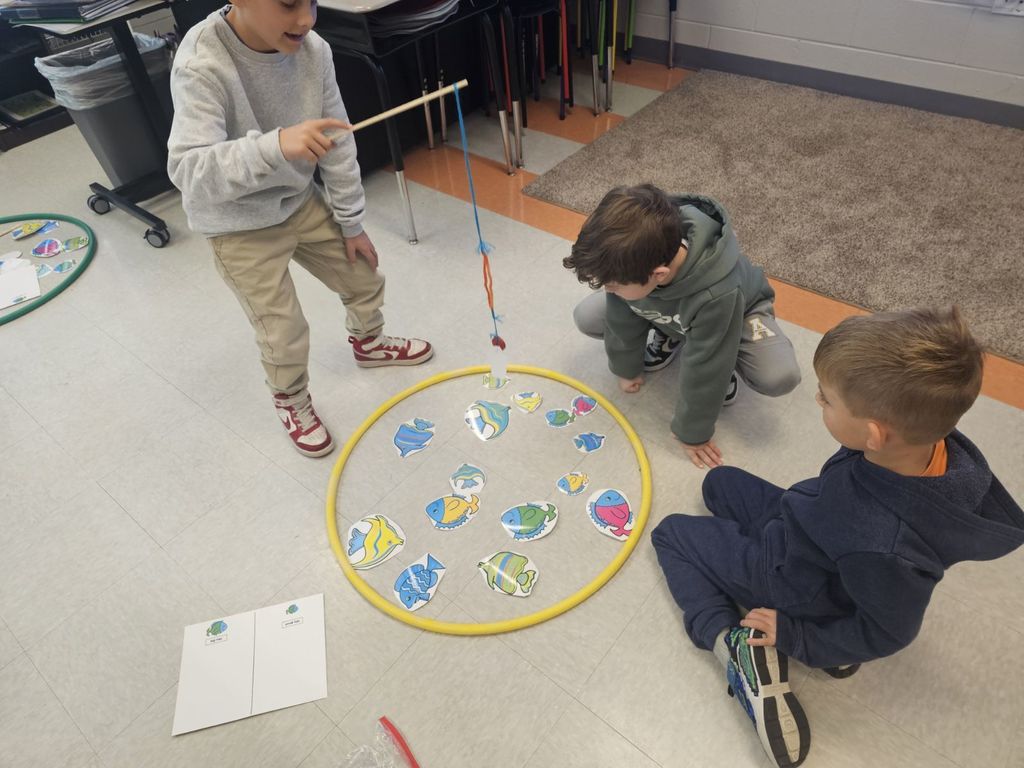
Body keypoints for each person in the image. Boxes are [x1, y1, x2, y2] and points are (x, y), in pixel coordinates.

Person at [651, 307, 1024, 767]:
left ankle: (731, 646)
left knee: (671, 534)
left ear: (872, 435)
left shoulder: (880, 541)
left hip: (793, 578)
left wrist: (800, 637)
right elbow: (842, 507)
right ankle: (827, 642)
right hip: (811, 528)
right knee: (718, 482)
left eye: (826, 399)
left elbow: (891, 630)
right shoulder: (929, 445)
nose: (818, 403)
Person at [167, 0, 432, 457]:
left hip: (299, 201)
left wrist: (351, 223)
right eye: (288, 4)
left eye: (311, 1)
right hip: (237, 225)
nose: (306, 18)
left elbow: (339, 142)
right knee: (283, 329)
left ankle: (369, 343)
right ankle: (290, 398)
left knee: (362, 274)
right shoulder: (201, 63)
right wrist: (273, 147)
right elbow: (188, 170)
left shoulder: (315, 50)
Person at [564, 184, 800, 468]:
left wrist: (693, 433)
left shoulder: (718, 293)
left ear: (658, 274)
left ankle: (725, 358)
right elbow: (620, 313)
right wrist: (626, 367)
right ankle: (670, 332)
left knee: (778, 375)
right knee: (588, 316)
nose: (608, 289)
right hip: (672, 310)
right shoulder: (639, 257)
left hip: (738, 312)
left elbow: (706, 363)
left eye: (613, 284)